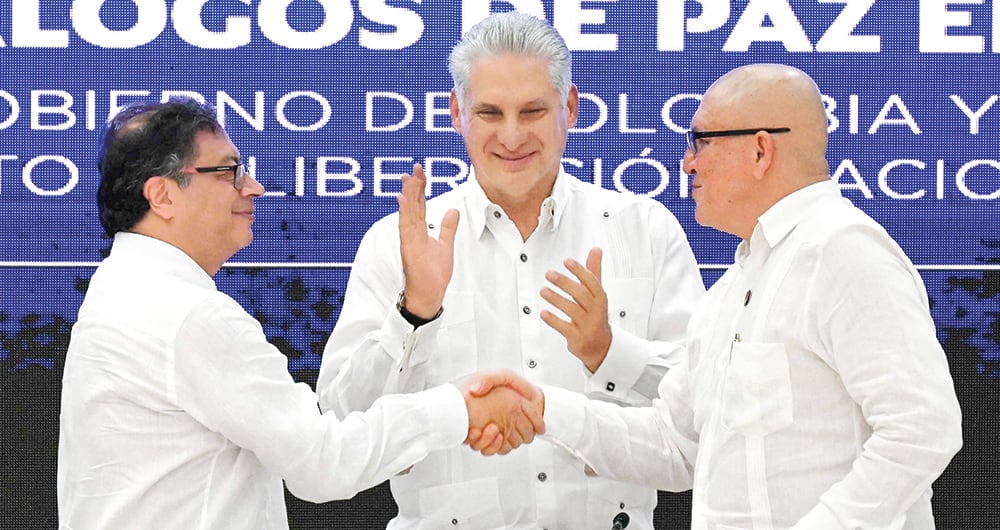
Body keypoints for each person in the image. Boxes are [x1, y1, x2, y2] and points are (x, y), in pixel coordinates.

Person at [56, 98, 544, 529]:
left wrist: (416, 309)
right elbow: (322, 463)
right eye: (228, 172)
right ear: (162, 195)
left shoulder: (121, 289)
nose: (254, 188)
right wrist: (459, 407)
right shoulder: (187, 315)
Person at [523, 63, 963, 529]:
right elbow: (677, 442)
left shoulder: (841, 250)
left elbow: (921, 429)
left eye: (701, 141)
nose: (687, 162)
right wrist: (540, 409)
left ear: (760, 150)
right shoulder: (732, 288)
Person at [316, 11, 705, 530]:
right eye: (491, 113)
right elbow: (340, 432)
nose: (513, 135)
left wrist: (609, 353)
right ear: (457, 113)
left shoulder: (645, 232)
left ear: (569, 108)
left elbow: (707, 423)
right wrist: (413, 315)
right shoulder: (399, 242)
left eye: (533, 110)